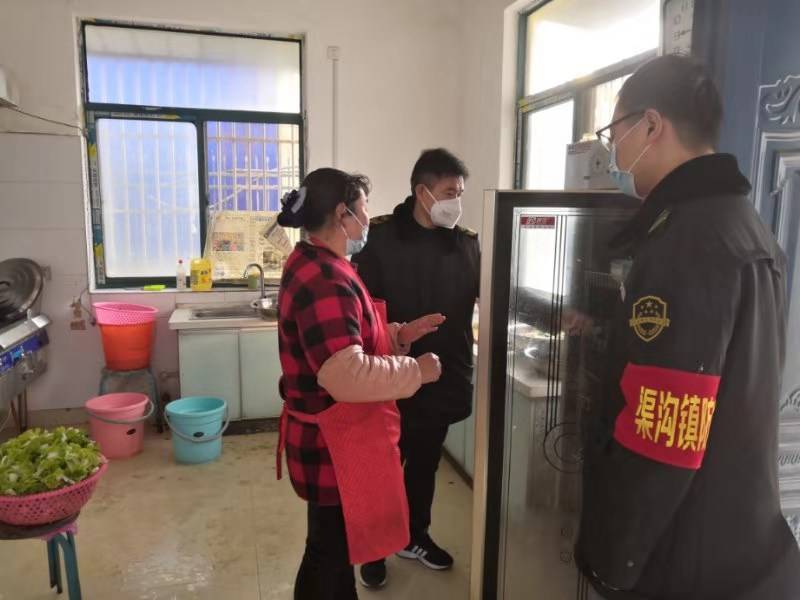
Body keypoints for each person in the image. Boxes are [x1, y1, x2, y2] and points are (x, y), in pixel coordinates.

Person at [576, 54, 800, 599]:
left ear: (652, 125)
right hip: (736, 536)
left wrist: (612, 559)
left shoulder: (687, 244)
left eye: (614, 134)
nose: (614, 152)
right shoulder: (744, 225)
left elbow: (664, 434)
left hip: (683, 558)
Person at [275, 167, 447, 600]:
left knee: (326, 549)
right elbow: (346, 375)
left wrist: (399, 335)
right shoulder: (325, 280)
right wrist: (416, 371)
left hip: (328, 439)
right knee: (329, 555)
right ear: (343, 214)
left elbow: (348, 339)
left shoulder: (317, 261)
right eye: (364, 208)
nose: (368, 218)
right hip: (332, 445)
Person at [352, 148, 479, 588]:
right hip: (389, 376)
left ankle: (414, 536)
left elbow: (490, 294)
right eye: (449, 192)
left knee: (424, 464)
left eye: (459, 193)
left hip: (442, 377)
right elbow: (360, 312)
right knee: (383, 466)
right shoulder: (379, 239)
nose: (456, 201)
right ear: (422, 192)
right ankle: (373, 546)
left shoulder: (465, 243)